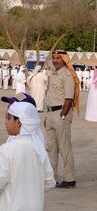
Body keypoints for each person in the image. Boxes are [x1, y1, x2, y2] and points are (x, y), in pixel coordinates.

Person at [45, 50, 79, 188]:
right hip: (51, 114)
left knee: (65, 147)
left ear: (64, 60)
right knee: (51, 148)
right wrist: (47, 116)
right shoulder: (53, 75)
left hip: (61, 114)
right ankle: (51, 176)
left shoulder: (67, 75)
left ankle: (69, 178)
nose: (55, 60)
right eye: (53, 58)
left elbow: (69, 99)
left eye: (58, 58)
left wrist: (63, 115)